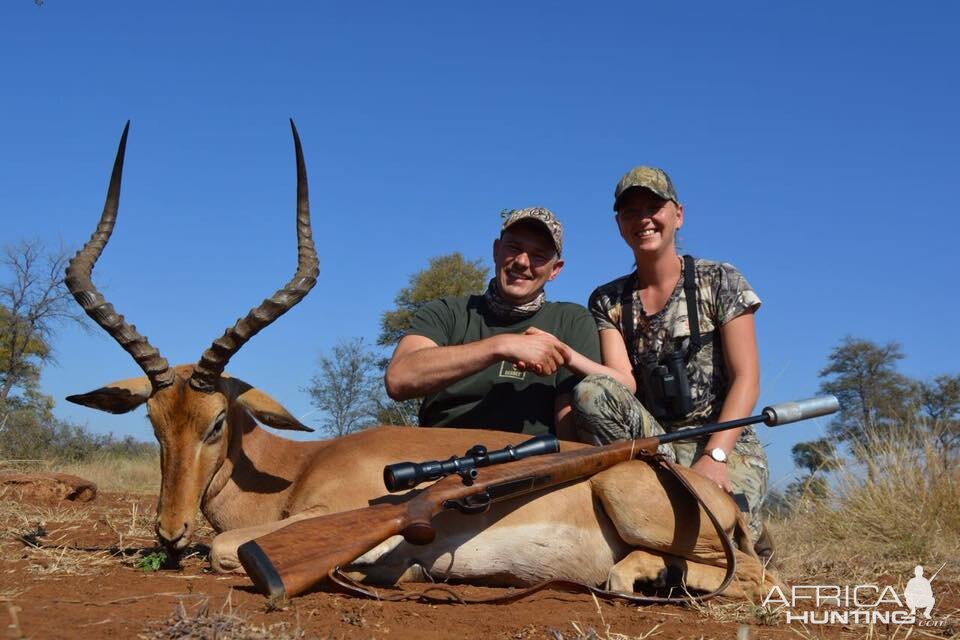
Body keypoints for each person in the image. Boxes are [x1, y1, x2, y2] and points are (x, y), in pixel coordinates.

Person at [571, 166, 771, 553]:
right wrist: (567, 357)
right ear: (619, 224)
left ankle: (752, 530)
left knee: (720, 542)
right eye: (630, 212)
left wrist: (716, 456)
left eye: (653, 207)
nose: (643, 220)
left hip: (724, 440)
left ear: (677, 215)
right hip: (656, 442)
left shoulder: (721, 279)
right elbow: (620, 383)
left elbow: (747, 378)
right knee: (591, 392)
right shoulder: (607, 300)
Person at [385, 207, 626, 439]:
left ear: (555, 270)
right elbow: (398, 379)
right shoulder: (447, 312)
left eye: (538, 255)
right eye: (514, 247)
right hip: (436, 460)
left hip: (530, 468)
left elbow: (569, 422)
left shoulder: (571, 321)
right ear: (496, 250)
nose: (522, 261)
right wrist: (501, 346)